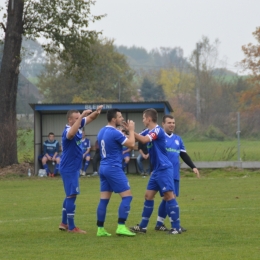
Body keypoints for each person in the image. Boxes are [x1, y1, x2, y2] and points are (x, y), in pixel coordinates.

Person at [129, 108, 182, 235]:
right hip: (156, 170)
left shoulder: (157, 130)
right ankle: (143, 227)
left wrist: (131, 131)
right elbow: (137, 137)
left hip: (164, 168)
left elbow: (144, 140)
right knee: (148, 196)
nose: (142, 120)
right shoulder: (147, 131)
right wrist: (125, 133)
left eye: (143, 118)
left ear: (148, 119)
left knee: (169, 196)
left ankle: (176, 227)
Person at [59, 105, 103, 234]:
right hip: (69, 168)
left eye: (79, 117)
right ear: (70, 120)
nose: (80, 119)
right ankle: (72, 227)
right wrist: (82, 116)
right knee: (72, 195)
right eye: (77, 118)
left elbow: (91, 118)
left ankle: (63, 223)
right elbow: (71, 134)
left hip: (72, 167)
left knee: (69, 194)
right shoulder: (68, 130)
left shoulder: (78, 124)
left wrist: (97, 112)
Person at [154, 115, 200, 232]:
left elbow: (183, 154)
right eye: (169, 122)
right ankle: (175, 225)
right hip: (164, 173)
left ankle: (159, 224)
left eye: (173, 123)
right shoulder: (159, 137)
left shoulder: (178, 139)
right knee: (170, 198)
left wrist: (193, 167)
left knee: (166, 198)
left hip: (175, 174)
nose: (172, 125)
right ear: (163, 124)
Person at [96, 108, 136, 237]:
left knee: (104, 200)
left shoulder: (102, 131)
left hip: (103, 167)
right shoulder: (114, 133)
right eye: (119, 117)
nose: (122, 118)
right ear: (113, 119)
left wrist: (123, 133)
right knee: (127, 197)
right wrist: (131, 130)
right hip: (113, 168)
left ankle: (100, 229)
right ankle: (121, 226)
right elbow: (131, 144)